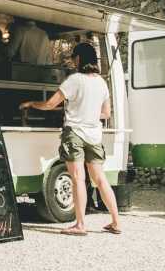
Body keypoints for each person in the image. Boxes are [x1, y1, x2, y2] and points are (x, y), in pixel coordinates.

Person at [19, 42, 121, 236]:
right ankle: (116, 221)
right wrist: (88, 113)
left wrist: (32, 103)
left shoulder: (74, 80)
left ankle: (80, 225)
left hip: (74, 133)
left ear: (79, 59)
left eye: (74, 57)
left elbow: (49, 104)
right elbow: (106, 113)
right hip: (94, 134)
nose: (73, 60)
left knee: (77, 179)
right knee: (100, 179)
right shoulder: (101, 82)